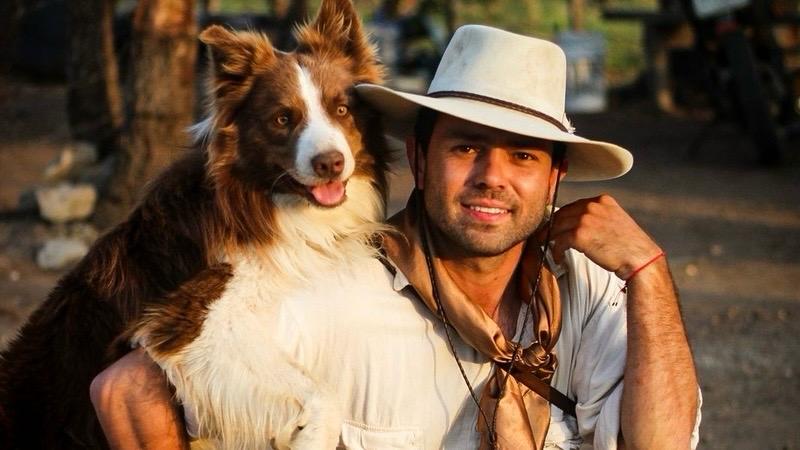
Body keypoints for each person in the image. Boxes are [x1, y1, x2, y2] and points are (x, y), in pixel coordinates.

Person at [91, 25, 700, 449]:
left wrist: (648, 271)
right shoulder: (337, 288)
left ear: (554, 178)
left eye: (522, 157)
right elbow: (127, 389)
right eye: (466, 147)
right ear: (418, 153)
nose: (492, 179)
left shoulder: (590, 288)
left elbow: (661, 444)